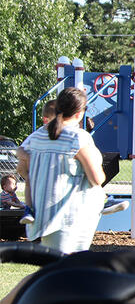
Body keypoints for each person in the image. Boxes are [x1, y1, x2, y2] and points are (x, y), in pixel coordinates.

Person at [16, 87, 105, 253]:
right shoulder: (78, 137)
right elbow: (97, 178)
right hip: (71, 215)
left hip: (43, 214)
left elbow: (21, 168)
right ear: (79, 113)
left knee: (54, 265)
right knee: (69, 265)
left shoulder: (36, 136)